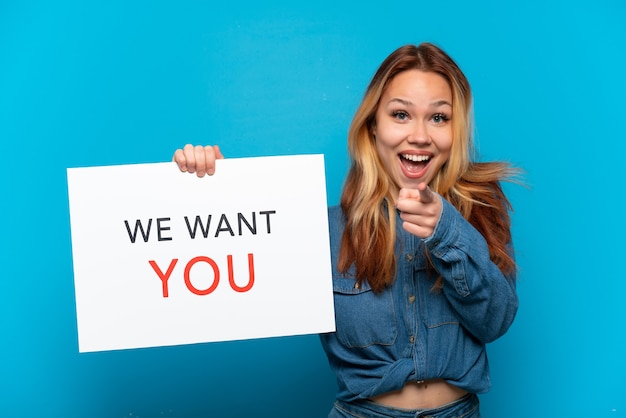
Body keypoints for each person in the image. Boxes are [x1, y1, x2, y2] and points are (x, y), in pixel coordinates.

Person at [173, 42, 519, 418]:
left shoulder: (480, 207)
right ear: (373, 127)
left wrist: (448, 233)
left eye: (439, 118)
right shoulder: (321, 229)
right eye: (401, 114)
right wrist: (212, 193)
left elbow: (495, 321)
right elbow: (238, 287)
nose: (420, 136)